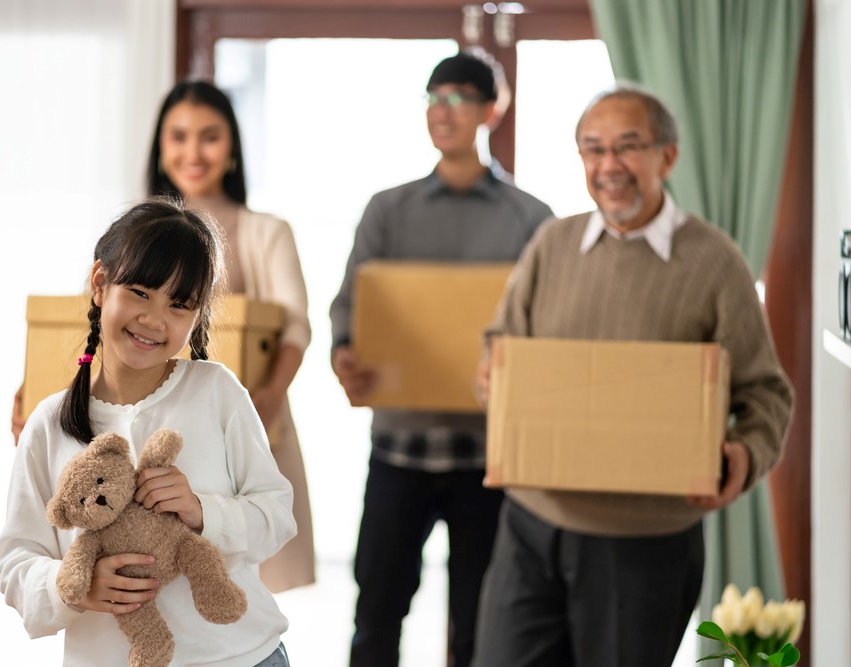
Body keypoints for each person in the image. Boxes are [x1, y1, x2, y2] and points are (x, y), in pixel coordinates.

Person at [471, 85, 794, 667]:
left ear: (666, 157)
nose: (609, 166)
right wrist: (497, 377)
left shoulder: (715, 260)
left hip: (646, 540)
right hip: (531, 522)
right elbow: (501, 344)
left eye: (628, 147)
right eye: (593, 150)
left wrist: (743, 456)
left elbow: (765, 391)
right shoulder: (553, 243)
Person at [0, 198, 296, 667]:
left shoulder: (217, 392)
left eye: (180, 304)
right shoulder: (48, 423)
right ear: (101, 284)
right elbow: (16, 560)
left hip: (242, 657)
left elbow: (277, 515)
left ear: (197, 316)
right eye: (140, 292)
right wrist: (73, 587)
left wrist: (202, 512)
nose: (155, 319)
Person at [329, 50, 554, 667]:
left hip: (489, 458)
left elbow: (548, 329)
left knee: (481, 621)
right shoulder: (387, 210)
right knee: (375, 611)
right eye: (433, 98)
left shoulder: (532, 219)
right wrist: (344, 355)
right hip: (398, 449)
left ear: (491, 110)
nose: (442, 111)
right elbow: (350, 307)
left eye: (457, 98)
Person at [145, 79, 315, 593]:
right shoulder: (139, 233)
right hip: (158, 436)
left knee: (241, 590)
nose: (192, 151)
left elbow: (295, 324)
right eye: (178, 136)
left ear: (234, 148)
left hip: (246, 428)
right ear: (160, 148)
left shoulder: (266, 231)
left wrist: (268, 397)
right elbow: (91, 322)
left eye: (209, 136)